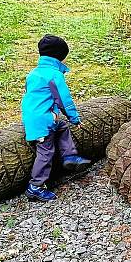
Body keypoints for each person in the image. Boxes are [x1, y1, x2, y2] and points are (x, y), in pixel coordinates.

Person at [21, 34, 91, 202]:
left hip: (32, 117)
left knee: (62, 127)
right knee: (46, 152)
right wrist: (74, 118)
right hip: (43, 121)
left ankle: (69, 156)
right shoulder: (54, 75)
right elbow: (63, 100)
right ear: (60, 56)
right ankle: (35, 186)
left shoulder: (33, 74)